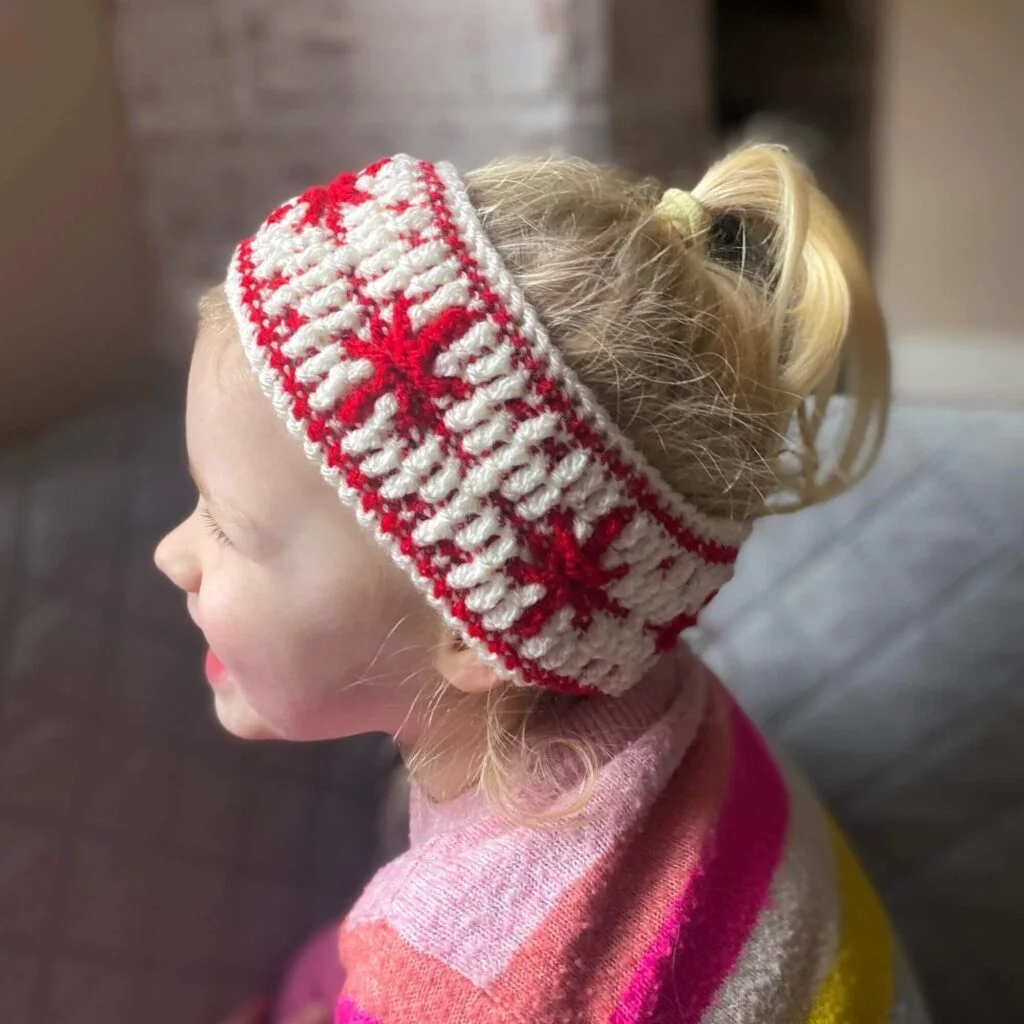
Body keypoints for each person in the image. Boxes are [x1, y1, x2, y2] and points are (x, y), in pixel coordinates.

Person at [156, 147, 928, 1023]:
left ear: (472, 628)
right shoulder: (660, 702)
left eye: (228, 526)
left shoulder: (455, 986)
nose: (171, 553)